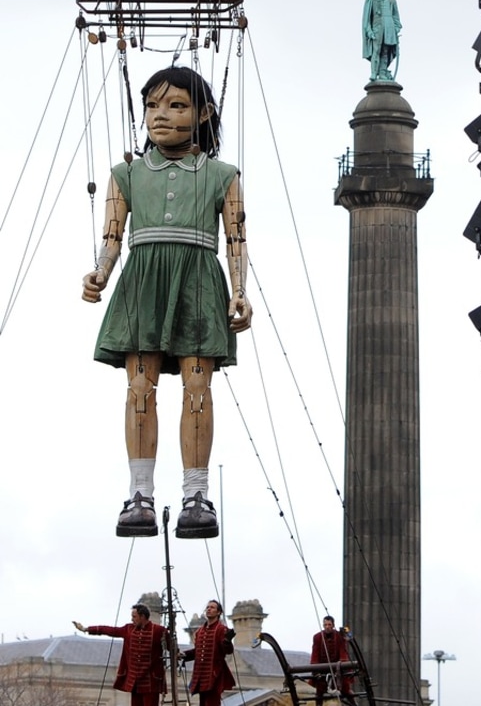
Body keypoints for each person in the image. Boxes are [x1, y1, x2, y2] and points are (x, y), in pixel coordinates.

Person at [82, 66, 252, 539]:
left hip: (198, 278)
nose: (161, 116)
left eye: (176, 105)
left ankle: (196, 494)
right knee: (140, 386)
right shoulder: (127, 174)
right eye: (153, 106)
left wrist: (240, 290)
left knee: (198, 388)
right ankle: (140, 493)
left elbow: (236, 239)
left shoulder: (222, 176)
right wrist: (100, 271)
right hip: (143, 278)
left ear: (202, 113)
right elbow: (112, 235)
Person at [72, 603, 166, 706]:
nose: (132, 619)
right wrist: (87, 629)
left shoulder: (158, 631)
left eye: (134, 617)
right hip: (135, 682)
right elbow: (109, 630)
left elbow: (172, 647)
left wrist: (178, 653)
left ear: (142, 616)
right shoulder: (128, 629)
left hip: (151, 682)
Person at [180, 599, 235, 705]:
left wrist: (227, 641)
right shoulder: (200, 631)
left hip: (214, 674)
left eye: (212, 607)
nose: (209, 609)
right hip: (201, 674)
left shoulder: (221, 629)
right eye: (208, 607)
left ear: (218, 612)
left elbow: (228, 651)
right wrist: (184, 655)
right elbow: (198, 651)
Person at [362, 0, 401, 82]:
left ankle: (383, 72)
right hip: (377, 28)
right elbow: (367, 17)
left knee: (385, 51)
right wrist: (369, 31)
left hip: (389, 28)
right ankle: (374, 73)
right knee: (376, 50)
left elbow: (395, 15)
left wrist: (396, 28)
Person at [310, 616, 355, 705]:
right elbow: (315, 654)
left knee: (346, 690)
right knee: (319, 693)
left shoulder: (339, 636)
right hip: (322, 670)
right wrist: (315, 668)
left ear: (333, 625)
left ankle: (354, 705)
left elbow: (343, 651)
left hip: (338, 669)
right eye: (325, 624)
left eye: (329, 624)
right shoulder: (317, 637)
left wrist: (342, 664)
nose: (327, 626)